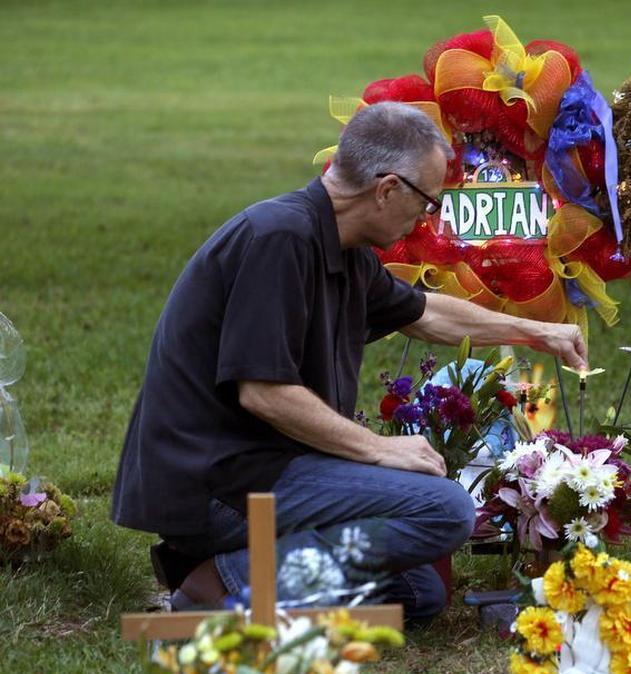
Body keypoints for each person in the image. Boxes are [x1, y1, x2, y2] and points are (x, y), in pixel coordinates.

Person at [111, 102, 588, 623]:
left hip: (270, 469)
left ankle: (244, 581)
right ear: (386, 189)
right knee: (445, 509)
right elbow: (264, 392)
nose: (427, 218)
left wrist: (537, 332)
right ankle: (220, 579)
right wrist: (379, 449)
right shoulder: (279, 239)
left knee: (419, 593)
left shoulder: (343, 246)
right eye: (428, 201)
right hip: (219, 486)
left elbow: (426, 314)